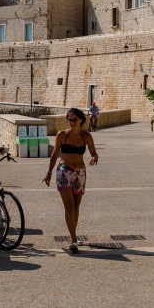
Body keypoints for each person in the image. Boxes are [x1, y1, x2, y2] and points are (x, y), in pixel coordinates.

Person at [43, 108, 100, 254]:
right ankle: (73, 239)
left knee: (76, 207)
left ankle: (73, 234)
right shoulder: (62, 135)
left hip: (80, 173)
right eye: (70, 119)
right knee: (69, 207)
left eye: (75, 119)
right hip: (64, 171)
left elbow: (94, 152)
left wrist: (94, 156)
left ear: (81, 120)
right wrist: (49, 173)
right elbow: (55, 154)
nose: (72, 122)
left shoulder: (86, 136)